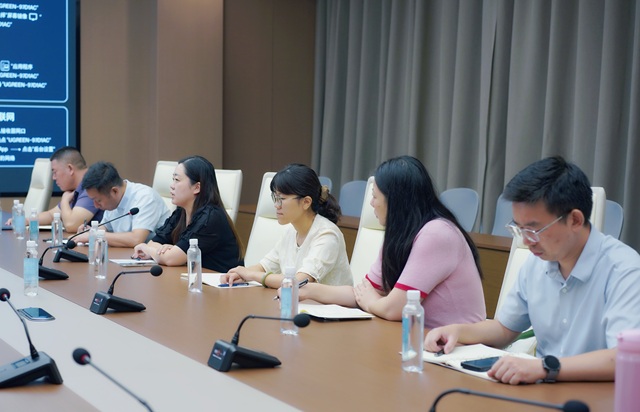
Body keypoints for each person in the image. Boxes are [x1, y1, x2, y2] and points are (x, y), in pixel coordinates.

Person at [424, 156, 640, 384]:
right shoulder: (536, 264)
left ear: (575, 220)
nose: (526, 242)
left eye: (534, 230)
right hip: (541, 392)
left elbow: (625, 358)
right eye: (519, 229)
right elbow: (504, 329)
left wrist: (545, 368)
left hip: (597, 395)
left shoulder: (625, 271)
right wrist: (458, 332)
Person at [291, 156, 486, 327]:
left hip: (457, 347)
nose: (371, 203)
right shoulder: (400, 233)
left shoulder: (438, 234)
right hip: (419, 337)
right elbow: (361, 293)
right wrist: (308, 290)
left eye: (375, 196)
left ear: (395, 199)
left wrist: (372, 302)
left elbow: (394, 309)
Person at [220, 163, 352, 288]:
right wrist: (241, 274)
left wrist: (251, 275)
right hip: (298, 301)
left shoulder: (327, 234)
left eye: (281, 199)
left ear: (306, 202)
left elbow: (299, 281)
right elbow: (265, 266)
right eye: (275, 198)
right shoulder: (291, 230)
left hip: (328, 305)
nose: (276, 205)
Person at [132, 156, 243, 272]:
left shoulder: (210, 218)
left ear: (197, 187)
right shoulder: (181, 212)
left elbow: (170, 259)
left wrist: (152, 250)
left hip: (222, 280)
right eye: (173, 179)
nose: (172, 185)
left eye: (177, 180)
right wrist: (169, 251)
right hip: (193, 278)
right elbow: (153, 243)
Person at [71, 161, 171, 247]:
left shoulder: (145, 197)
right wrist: (90, 231)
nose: (96, 205)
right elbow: (105, 227)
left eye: (98, 200)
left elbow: (136, 239)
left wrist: (95, 235)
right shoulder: (113, 201)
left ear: (114, 191)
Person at [4, 146, 103, 232]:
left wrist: (64, 200)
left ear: (70, 169)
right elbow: (51, 215)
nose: (54, 178)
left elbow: (71, 225)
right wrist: (26, 220)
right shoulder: (76, 188)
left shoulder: (91, 185)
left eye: (55, 172)